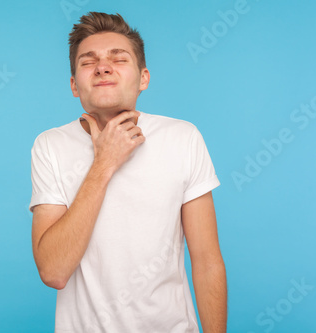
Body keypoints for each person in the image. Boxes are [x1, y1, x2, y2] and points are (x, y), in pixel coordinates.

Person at [29, 11, 227, 333]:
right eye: (87, 61)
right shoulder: (50, 145)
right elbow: (53, 271)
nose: (103, 67)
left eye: (118, 59)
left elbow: (206, 261)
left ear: (143, 78)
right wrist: (104, 163)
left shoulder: (183, 137)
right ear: (74, 85)